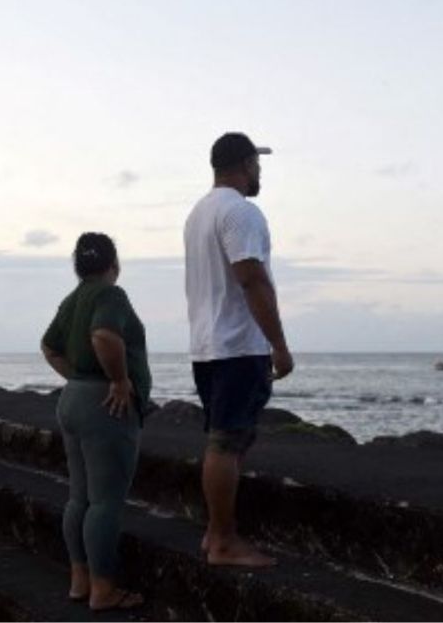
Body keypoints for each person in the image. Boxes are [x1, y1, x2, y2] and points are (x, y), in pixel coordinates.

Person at [183, 132, 294, 567]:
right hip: (236, 345)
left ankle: (215, 532)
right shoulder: (241, 212)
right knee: (226, 443)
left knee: (226, 439)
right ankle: (225, 542)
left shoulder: (198, 214)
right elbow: (251, 278)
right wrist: (279, 345)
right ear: (245, 165)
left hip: (207, 345)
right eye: (256, 163)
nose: (259, 170)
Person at [40, 232, 151, 611]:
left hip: (74, 400)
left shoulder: (73, 299)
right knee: (105, 503)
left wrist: (78, 377)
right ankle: (103, 590)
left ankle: (80, 580)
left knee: (80, 498)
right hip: (105, 407)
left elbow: (49, 346)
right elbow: (104, 335)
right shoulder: (109, 295)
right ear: (113, 264)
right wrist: (119, 380)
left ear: (78, 265)